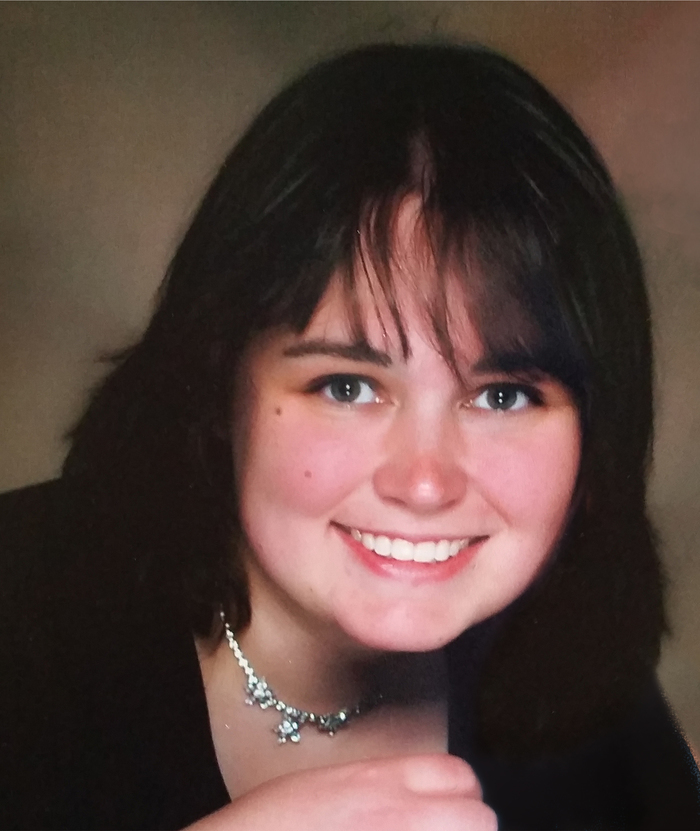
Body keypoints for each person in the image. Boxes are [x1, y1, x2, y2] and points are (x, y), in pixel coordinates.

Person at [1, 42, 698, 831]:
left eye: (502, 395)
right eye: (348, 387)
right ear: (217, 380)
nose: (425, 481)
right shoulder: (21, 607)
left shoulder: (583, 687)